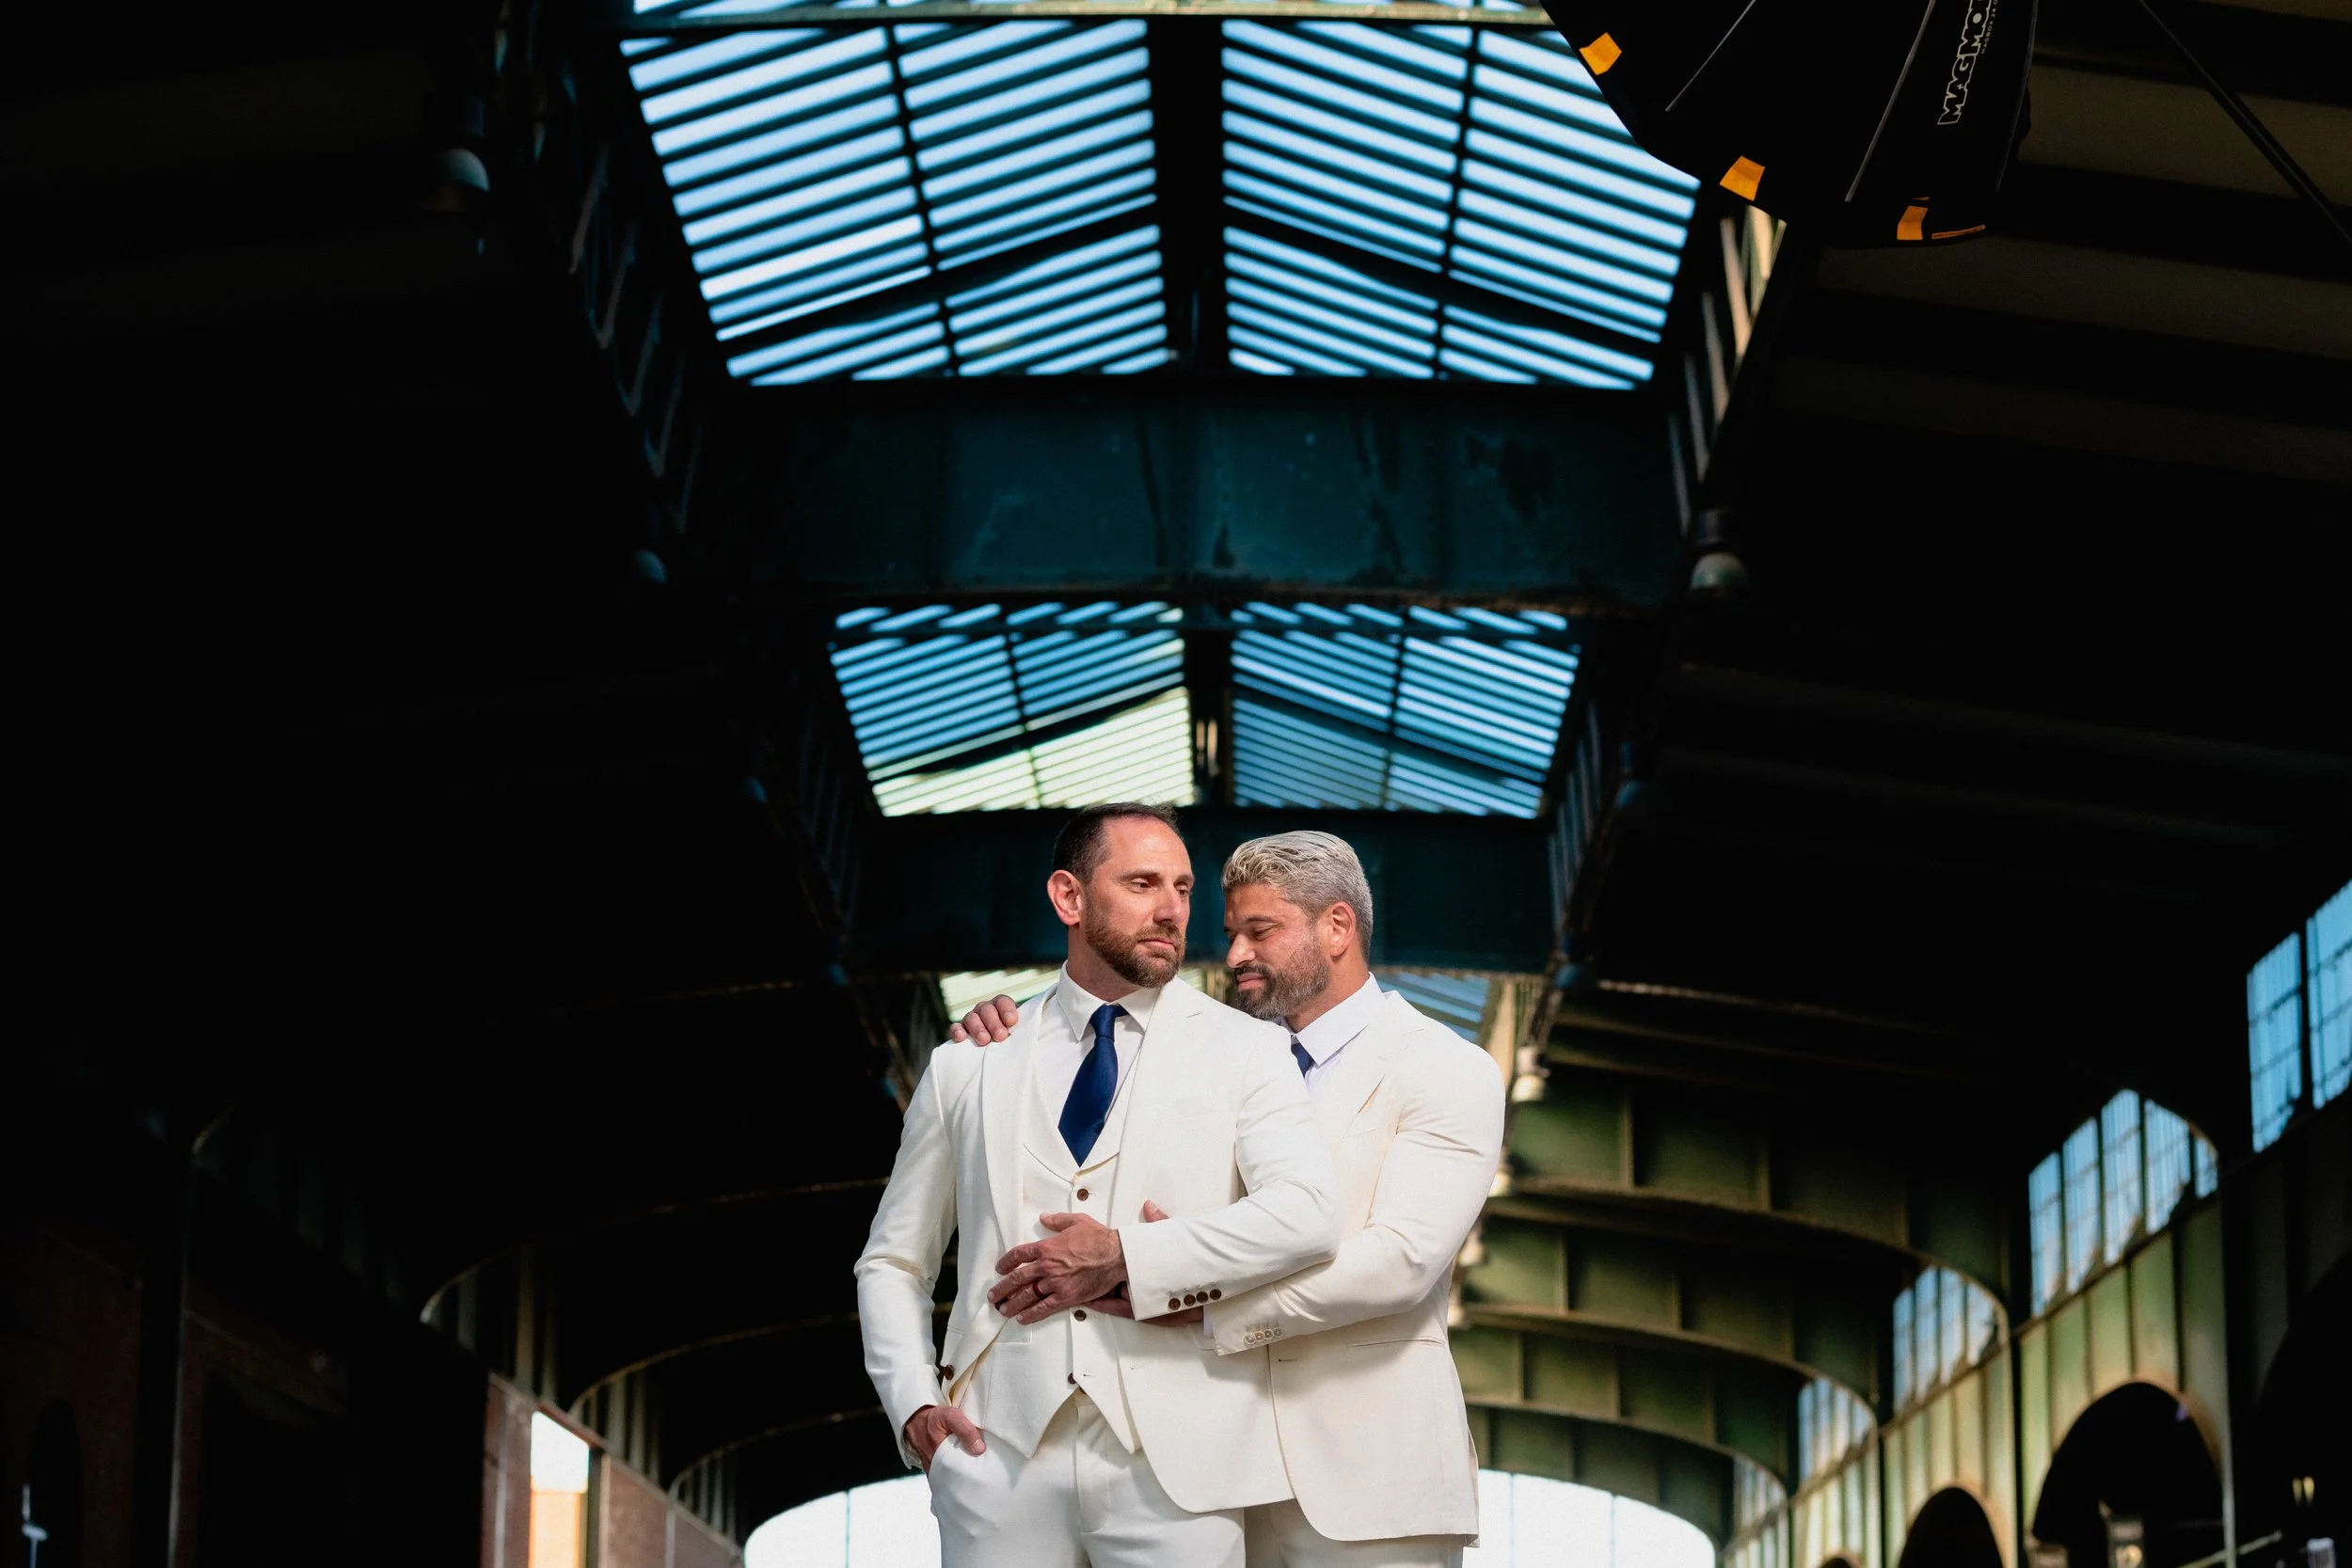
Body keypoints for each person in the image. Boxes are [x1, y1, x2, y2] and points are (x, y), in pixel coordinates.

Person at [950, 830, 1507, 1568]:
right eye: (1231, 932)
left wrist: (1205, 1306)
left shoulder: (1446, 1067)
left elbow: (1399, 1262)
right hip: (1212, 1481)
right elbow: (1084, 1045)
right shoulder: (1216, 1056)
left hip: (1368, 1487)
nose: (1236, 953)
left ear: (1337, 926)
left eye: (1261, 931)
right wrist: (1009, 1030)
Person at [855, 803, 1342, 1568]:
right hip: (996, 1453)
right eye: (1143, 882)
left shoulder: (1248, 1049)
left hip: (1182, 1462)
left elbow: (1307, 1214)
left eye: (1182, 887)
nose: (1171, 909)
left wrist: (1129, 1255)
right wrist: (915, 1401)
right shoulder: (970, 1062)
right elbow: (892, 1260)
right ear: (1069, 898)